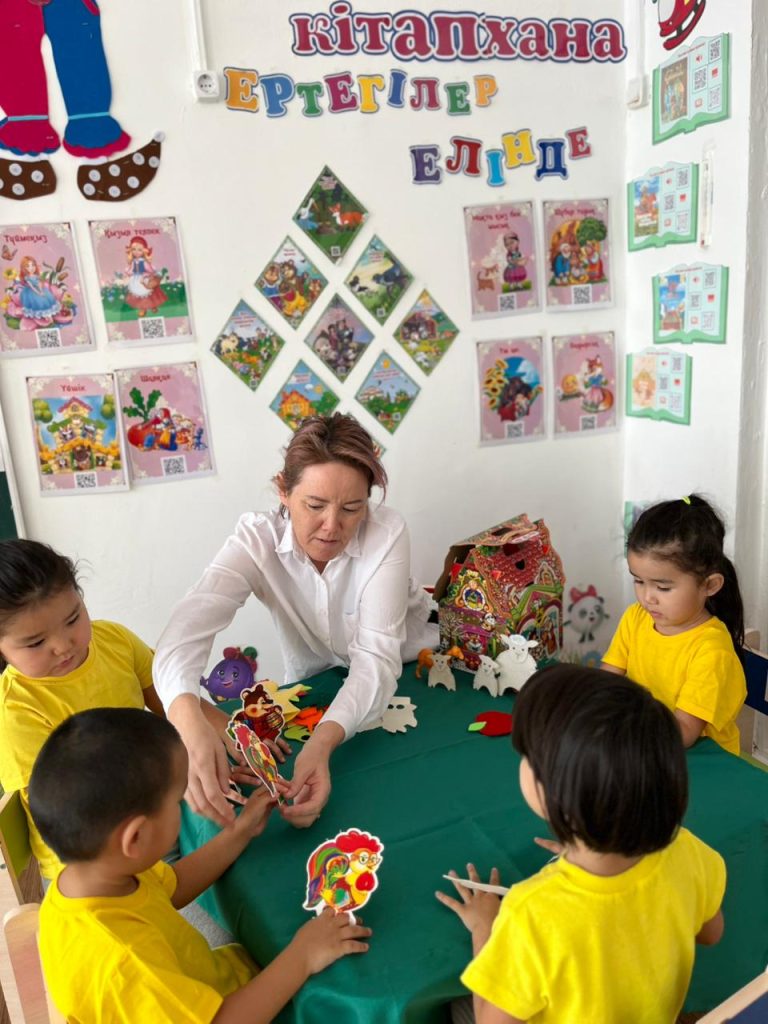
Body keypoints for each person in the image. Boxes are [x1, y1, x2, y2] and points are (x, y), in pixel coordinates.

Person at [154, 412, 436, 828]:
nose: (332, 526)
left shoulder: (386, 532)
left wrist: (321, 745)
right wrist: (188, 723)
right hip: (318, 682)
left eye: (352, 508)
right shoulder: (256, 539)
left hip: (413, 672)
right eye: (315, 506)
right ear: (283, 491)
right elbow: (185, 631)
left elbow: (377, 658)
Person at [30, 708, 372, 1023]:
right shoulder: (125, 963)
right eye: (177, 800)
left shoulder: (95, 874)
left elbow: (172, 886)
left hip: (204, 991)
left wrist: (239, 832)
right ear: (135, 838)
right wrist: (303, 955)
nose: (184, 806)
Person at [436, 665, 726, 1024]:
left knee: (455, 1007)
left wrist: (486, 928)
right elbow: (712, 933)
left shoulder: (530, 913)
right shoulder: (688, 848)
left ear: (556, 794)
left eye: (528, 757)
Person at [0, 539, 235, 880]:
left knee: (238, 832)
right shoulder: (14, 711)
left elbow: (174, 701)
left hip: (159, 811)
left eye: (73, 618)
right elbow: (69, 813)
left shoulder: (114, 640)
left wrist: (230, 731)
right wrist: (173, 776)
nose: (63, 645)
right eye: (36, 642)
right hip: (93, 862)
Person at [602, 495, 746, 753]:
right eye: (639, 581)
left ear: (710, 585)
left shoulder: (711, 651)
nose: (647, 597)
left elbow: (684, 732)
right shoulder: (636, 617)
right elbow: (606, 682)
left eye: (663, 587)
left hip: (702, 760)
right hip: (647, 746)